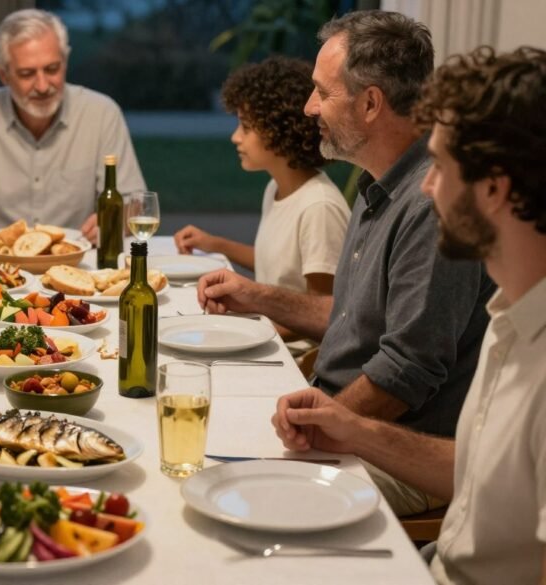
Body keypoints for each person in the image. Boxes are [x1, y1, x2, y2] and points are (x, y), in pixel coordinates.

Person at [197, 10, 495, 515]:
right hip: (340, 413)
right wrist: (256, 295)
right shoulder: (376, 181)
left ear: (372, 102)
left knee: (233, 493)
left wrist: (319, 425)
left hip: (400, 450)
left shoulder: (428, 203)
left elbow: (406, 370)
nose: (309, 107)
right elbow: (349, 315)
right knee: (195, 426)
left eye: (322, 92)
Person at [273, 45, 546, 585]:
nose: (425, 186)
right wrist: (351, 430)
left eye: (440, 166)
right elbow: (479, 470)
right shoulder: (511, 318)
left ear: (493, 189)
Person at [0, 8, 146, 241]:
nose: (43, 85)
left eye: (52, 69)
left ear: (65, 62)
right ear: (3, 74)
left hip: (79, 264)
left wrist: (116, 218)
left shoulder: (102, 113)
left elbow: (135, 204)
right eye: (27, 73)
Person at [174, 56, 350, 349]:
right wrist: (214, 244)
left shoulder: (319, 208)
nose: (235, 137)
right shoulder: (277, 187)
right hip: (268, 338)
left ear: (279, 128)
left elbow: (323, 318)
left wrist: (238, 330)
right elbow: (278, 263)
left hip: (295, 362)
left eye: (245, 127)